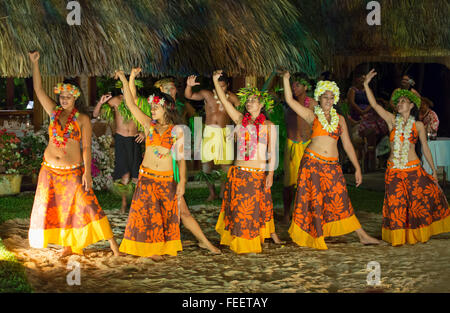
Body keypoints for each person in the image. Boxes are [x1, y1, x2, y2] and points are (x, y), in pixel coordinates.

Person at [116, 71, 220, 259]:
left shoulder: (177, 131)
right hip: (147, 177)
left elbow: (181, 160)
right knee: (148, 214)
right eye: (152, 106)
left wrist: (180, 183)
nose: (153, 109)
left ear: (166, 108)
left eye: (156, 106)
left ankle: (205, 242)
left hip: (166, 180)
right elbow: (130, 104)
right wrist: (127, 78)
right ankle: (152, 249)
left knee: (183, 213)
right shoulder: (149, 125)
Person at [27, 51, 120, 257]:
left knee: (88, 204)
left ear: (75, 97)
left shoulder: (82, 119)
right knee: (60, 209)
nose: (64, 99)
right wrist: (35, 63)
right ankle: (67, 246)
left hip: (72, 172)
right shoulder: (53, 111)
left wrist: (87, 173)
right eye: (62, 96)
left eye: (68, 97)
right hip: (50, 171)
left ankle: (113, 245)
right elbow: (38, 89)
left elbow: (86, 148)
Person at [282, 71, 380, 250]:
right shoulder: (313, 116)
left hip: (332, 166)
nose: (328, 100)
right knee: (314, 201)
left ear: (335, 99)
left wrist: (357, 168)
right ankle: (315, 236)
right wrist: (286, 80)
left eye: (331, 97)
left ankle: (362, 235)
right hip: (312, 163)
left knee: (340, 199)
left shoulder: (340, 119)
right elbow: (289, 100)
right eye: (325, 97)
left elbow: (348, 145)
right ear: (319, 99)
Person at [364, 69, 450, 246]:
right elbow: (375, 105)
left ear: (411, 105)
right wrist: (366, 85)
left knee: (416, 206)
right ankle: (397, 238)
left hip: (413, 170)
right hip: (394, 170)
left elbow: (425, 148)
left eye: (404, 101)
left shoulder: (418, 125)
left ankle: (415, 235)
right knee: (395, 205)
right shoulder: (391, 121)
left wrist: (433, 170)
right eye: (398, 101)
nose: (400, 103)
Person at [212, 70, 283, 254]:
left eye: (253, 100)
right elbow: (226, 103)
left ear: (261, 104)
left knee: (252, 212)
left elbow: (271, 152)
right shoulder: (240, 120)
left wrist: (271, 174)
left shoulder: (268, 126)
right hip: (239, 173)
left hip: (257, 174)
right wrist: (214, 81)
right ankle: (239, 242)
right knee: (238, 211)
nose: (250, 103)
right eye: (248, 100)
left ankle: (251, 243)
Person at [93, 68, 145, 213]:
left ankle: (136, 204)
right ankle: (123, 204)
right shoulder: (115, 101)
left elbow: (147, 121)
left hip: (135, 139)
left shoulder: (139, 103)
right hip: (121, 140)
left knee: (136, 175)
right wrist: (100, 102)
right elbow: (96, 114)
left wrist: (143, 132)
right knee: (125, 175)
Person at [185, 73, 240, 201]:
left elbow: (241, 112)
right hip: (209, 132)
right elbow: (189, 95)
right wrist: (188, 86)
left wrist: (238, 127)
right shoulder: (207, 94)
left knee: (225, 165)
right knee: (206, 164)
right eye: (218, 87)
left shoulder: (231, 97)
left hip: (225, 131)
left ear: (228, 85)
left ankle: (222, 192)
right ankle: (212, 193)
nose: (220, 89)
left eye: (223, 87)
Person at [282, 75, 316, 224]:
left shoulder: (313, 104)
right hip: (291, 145)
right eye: (293, 86)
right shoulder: (289, 103)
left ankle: (305, 212)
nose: (294, 88)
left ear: (306, 87)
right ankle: (286, 212)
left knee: (307, 183)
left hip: (307, 145)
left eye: (298, 86)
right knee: (288, 183)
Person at [347, 73, 388, 172]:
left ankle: (374, 152)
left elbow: (372, 102)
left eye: (364, 79)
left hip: (368, 113)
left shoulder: (369, 90)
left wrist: (366, 111)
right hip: (356, 113)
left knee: (376, 126)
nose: (362, 81)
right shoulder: (353, 90)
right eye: (361, 79)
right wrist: (360, 111)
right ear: (356, 79)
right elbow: (352, 102)